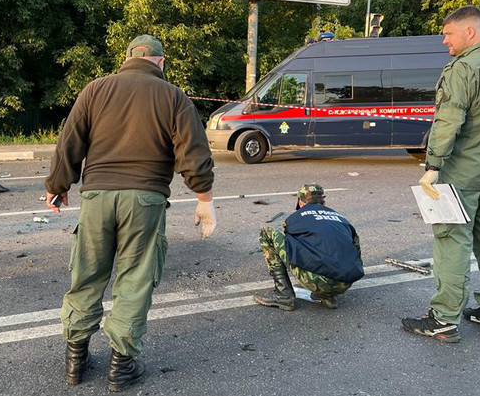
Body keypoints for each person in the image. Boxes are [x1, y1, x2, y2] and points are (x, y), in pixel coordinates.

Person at [44, 34, 216, 392]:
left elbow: (69, 142)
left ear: (126, 59)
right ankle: (120, 368)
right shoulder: (173, 97)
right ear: (161, 62)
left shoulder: (95, 90)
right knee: (135, 280)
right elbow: (193, 153)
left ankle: (75, 360)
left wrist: (58, 185)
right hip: (146, 198)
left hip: (96, 198)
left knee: (87, 274)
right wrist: (204, 198)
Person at [402, 5, 480, 343]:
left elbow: (448, 121)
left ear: (470, 32)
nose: (445, 40)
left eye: (449, 33)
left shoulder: (463, 69)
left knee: (452, 242)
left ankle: (443, 318)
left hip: (460, 175)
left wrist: (433, 166)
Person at [253, 184, 363, 311]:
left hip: (317, 280)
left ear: (300, 202)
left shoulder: (296, 217)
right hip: (345, 282)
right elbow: (355, 249)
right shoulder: (341, 219)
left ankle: (283, 296)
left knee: (267, 233)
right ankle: (328, 296)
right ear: (324, 201)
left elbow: (293, 244)